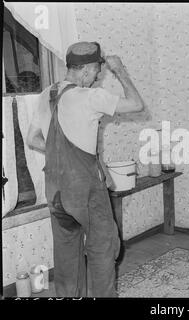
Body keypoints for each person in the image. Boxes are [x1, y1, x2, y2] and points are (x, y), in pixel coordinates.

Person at [26, 41, 148, 297]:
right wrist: (120, 70)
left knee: (67, 257)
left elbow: (33, 139)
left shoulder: (46, 94)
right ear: (85, 69)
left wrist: (59, 155)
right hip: (85, 192)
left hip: (56, 192)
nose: (96, 78)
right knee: (104, 247)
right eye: (96, 72)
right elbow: (136, 104)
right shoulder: (90, 97)